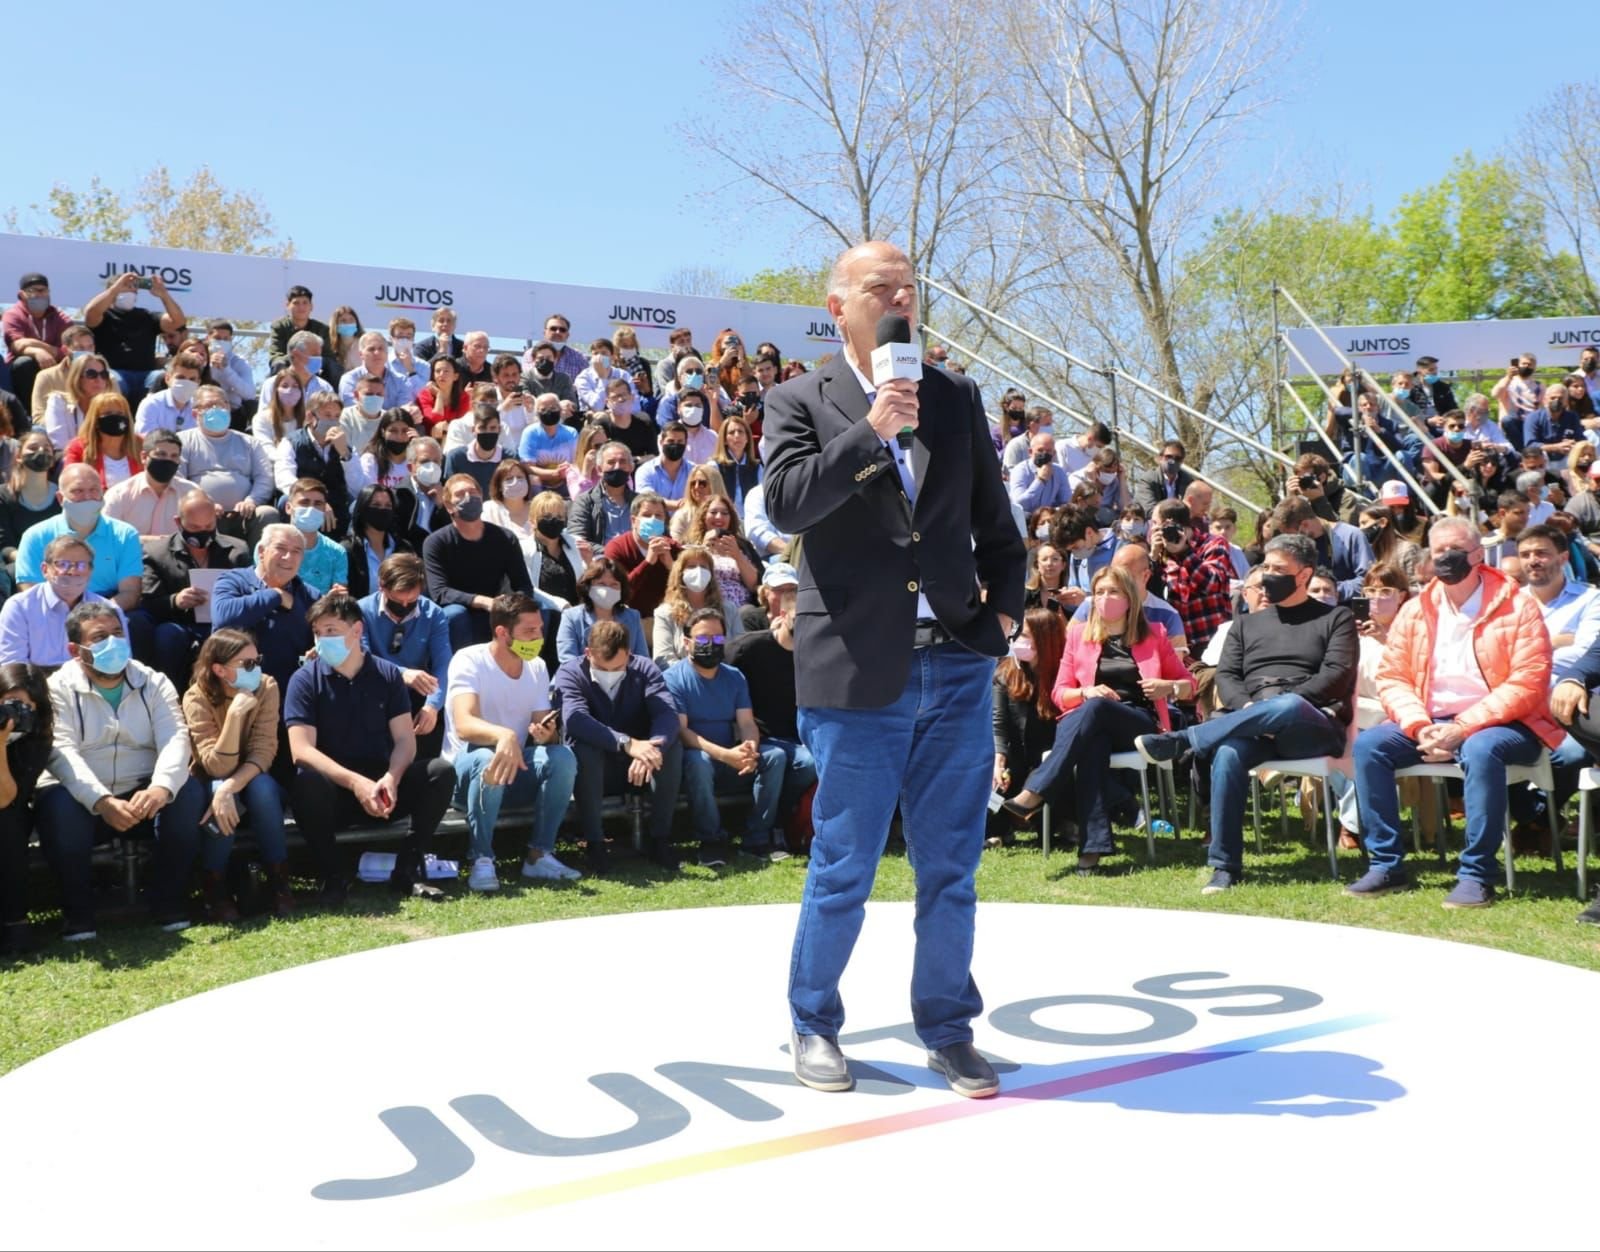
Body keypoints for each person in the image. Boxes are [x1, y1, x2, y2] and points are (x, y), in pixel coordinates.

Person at [763, 240, 1025, 1098]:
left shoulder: (954, 394)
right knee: (846, 860)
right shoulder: (798, 399)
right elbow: (790, 504)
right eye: (882, 286)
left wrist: (1004, 620)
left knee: (952, 864)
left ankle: (949, 1030)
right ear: (837, 305)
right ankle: (814, 1024)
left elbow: (997, 523)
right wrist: (873, 428)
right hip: (856, 670)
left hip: (954, 665)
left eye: (910, 287)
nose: (901, 297)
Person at [1348, 517, 1559, 908]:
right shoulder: (1416, 610)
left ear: (1479, 554)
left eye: (1456, 550)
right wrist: (1418, 726)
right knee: (1370, 746)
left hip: (1504, 724)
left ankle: (1477, 875)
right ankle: (1386, 865)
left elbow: (1528, 682)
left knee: (1480, 750)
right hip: (1430, 722)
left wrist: (1463, 728)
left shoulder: (1518, 606)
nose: (1447, 558)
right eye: (1440, 551)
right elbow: (1393, 676)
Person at [1134, 532, 1357, 894]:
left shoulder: (1336, 619)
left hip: (1313, 725)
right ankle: (1224, 866)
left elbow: (1335, 677)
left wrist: (1276, 709)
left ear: (1303, 575)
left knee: (1288, 706)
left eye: (1278, 569)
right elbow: (1227, 677)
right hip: (1254, 723)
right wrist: (1253, 709)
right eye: (1265, 567)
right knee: (1227, 753)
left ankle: (1186, 739)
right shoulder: (1244, 625)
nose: (1268, 575)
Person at [1005, 570, 1194, 870]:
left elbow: (1189, 685)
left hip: (1138, 720)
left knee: (1095, 710)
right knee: (1092, 741)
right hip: (1090, 721)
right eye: (1100, 592)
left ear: (1129, 598)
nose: (1105, 598)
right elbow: (1060, 694)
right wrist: (1086, 691)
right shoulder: (1078, 636)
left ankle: (1037, 789)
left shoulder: (1154, 633)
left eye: (1114, 592)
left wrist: (1166, 686)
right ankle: (1092, 849)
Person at [37, 601, 205, 939]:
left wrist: (161, 788)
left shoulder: (153, 681)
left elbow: (175, 738)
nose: (113, 643)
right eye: (99, 637)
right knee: (57, 804)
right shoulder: (56, 689)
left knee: (186, 791)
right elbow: (61, 753)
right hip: (85, 799)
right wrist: (100, 800)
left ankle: (169, 901)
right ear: (75, 649)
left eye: (117, 634)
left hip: (143, 793)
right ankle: (78, 914)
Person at [285, 592, 455, 906]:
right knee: (306, 781)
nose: (324, 640)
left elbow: (405, 739)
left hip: (382, 787)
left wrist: (391, 777)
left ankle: (408, 870)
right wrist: (356, 784)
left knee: (439, 772)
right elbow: (301, 750)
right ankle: (333, 876)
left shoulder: (387, 674)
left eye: (332, 631)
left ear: (357, 630)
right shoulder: (304, 680)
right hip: (335, 792)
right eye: (318, 633)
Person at [444, 593, 578, 891]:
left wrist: (547, 734)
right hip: (466, 770)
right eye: (529, 631)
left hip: (515, 766)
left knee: (562, 757)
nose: (538, 637)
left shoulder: (538, 667)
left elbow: (546, 728)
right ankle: (481, 859)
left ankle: (539, 855)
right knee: (489, 757)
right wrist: (503, 735)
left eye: (540, 629)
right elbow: (465, 725)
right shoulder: (468, 660)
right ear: (502, 632)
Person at [182, 629, 293, 921]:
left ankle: (279, 880)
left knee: (263, 788)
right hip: (211, 780)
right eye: (246, 664)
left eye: (257, 661)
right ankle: (214, 887)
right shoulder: (196, 697)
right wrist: (233, 717)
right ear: (219, 669)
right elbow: (214, 766)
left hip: (252, 776)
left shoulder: (267, 686)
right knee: (217, 787)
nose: (255, 669)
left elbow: (264, 751)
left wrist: (229, 787)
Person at [663, 607, 787, 865]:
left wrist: (749, 748)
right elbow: (683, 732)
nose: (712, 645)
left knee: (775, 756)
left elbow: (746, 721)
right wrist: (725, 755)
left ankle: (757, 838)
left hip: (732, 755)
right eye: (703, 639)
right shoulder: (673, 679)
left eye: (718, 639)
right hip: (698, 759)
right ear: (687, 643)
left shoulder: (734, 676)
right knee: (699, 762)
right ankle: (711, 841)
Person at [725, 580, 811, 858]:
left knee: (812, 763)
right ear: (783, 615)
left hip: (797, 738)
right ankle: (757, 839)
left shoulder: (815, 656)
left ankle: (780, 823)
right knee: (776, 759)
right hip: (756, 737)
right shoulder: (748, 648)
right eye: (800, 616)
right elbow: (721, 681)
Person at [132, 490, 249, 689]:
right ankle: (169, 697)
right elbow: (148, 603)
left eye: (209, 526)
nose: (203, 532)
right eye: (195, 527)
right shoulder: (156, 553)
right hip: (179, 625)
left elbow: (250, 593)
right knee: (167, 635)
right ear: (178, 522)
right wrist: (176, 601)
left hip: (223, 625)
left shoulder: (237, 551)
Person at [422, 473, 534, 648]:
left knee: (536, 610)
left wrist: (510, 602)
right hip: (461, 609)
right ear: (449, 505)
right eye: (460, 494)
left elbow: (524, 585)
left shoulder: (505, 538)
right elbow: (439, 592)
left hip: (498, 608)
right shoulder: (436, 542)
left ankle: (529, 667)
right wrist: (481, 601)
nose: (468, 497)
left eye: (473, 492)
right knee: (455, 614)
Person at [359, 554, 452, 763]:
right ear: (381, 586)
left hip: (417, 693)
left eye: (411, 601)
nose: (404, 605)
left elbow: (444, 663)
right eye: (397, 600)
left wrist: (433, 706)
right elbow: (361, 657)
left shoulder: (434, 614)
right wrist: (401, 673)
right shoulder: (361, 611)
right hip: (376, 688)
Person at [16, 464, 143, 611]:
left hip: (107, 610)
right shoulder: (35, 536)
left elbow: (130, 592)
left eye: (94, 490)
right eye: (78, 491)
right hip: (52, 610)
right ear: (60, 498)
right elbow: (30, 592)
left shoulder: (125, 535)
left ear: (103, 493)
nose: (87, 497)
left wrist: (93, 618)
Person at [212, 523, 318, 696]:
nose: (288, 557)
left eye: (296, 551)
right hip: (230, 693)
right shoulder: (233, 581)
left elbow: (318, 640)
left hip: (287, 695)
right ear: (261, 551)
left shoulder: (310, 596)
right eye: (281, 548)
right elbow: (223, 617)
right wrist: (275, 595)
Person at [0, 534, 127, 667]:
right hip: (36, 684)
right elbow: (13, 666)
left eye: (81, 565)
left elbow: (120, 663)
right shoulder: (19, 607)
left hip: (91, 682)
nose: (72, 571)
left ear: (90, 571)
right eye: (62, 564)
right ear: (45, 570)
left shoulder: (110, 610)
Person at [0, 663, 53, 955]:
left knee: (8, 821)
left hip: (8, 812)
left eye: (24, 708)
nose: (13, 716)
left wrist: (0, 743)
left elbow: (5, 799)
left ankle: (15, 921)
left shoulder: (36, 741)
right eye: (9, 705)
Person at [82, 272, 186, 408]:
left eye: (134, 288)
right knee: (113, 379)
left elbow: (178, 322)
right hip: (116, 372)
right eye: (126, 286)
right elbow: (90, 313)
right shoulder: (103, 315)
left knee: (162, 377)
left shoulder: (147, 315)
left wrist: (164, 295)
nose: (132, 291)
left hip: (147, 374)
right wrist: (115, 288)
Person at [1148, 499, 1232, 654]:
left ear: (1168, 523)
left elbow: (1212, 584)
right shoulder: (1161, 552)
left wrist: (1184, 552)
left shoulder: (1213, 544)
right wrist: (1153, 558)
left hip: (1212, 640)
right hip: (1179, 643)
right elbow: (1150, 595)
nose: (1152, 528)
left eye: (1154, 523)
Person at [1516, 524, 1600, 677]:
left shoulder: (1591, 600)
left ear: (1563, 558)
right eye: (1525, 555)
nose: (1532, 561)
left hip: (1571, 691)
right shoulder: (1510, 602)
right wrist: (1552, 642)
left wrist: (1521, 653)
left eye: (1541, 553)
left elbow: (1587, 656)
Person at [274, 392, 355, 533]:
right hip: (305, 502)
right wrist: (318, 503)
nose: (333, 421)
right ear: (310, 416)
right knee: (285, 500)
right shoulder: (291, 442)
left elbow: (358, 485)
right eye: (327, 415)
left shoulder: (345, 446)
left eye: (337, 416)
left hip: (337, 505)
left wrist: (345, 455)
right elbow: (284, 478)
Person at [653, 545, 743, 666]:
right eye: (691, 566)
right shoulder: (665, 613)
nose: (698, 571)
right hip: (683, 680)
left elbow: (740, 650)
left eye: (703, 567)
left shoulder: (729, 609)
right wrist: (696, 674)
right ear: (680, 574)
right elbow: (662, 658)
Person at [556, 557, 650, 663]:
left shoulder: (633, 617)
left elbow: (642, 660)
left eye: (614, 585)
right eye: (601, 584)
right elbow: (567, 659)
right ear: (588, 586)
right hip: (581, 678)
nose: (607, 589)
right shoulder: (571, 617)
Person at [604, 493, 679, 621]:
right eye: (647, 515)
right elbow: (617, 593)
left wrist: (672, 566)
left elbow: (689, 590)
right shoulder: (616, 548)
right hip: (628, 619)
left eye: (659, 516)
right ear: (634, 521)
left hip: (667, 618)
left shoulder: (673, 548)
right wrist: (647, 563)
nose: (653, 520)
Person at [0, 431, 61, 570]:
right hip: (20, 566)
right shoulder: (3, 496)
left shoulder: (62, 496)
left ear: (52, 460)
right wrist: (32, 559)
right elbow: (5, 546)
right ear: (19, 457)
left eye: (46, 449)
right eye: (33, 448)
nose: (40, 452)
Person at [277, 478, 350, 596]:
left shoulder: (337, 552)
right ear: (288, 508)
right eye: (304, 502)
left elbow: (339, 595)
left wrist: (333, 599)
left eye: (318, 504)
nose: (311, 509)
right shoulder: (269, 546)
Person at [342, 484, 413, 601]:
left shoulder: (404, 548)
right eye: (376, 505)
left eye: (388, 506)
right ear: (363, 509)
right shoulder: (348, 550)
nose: (382, 510)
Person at [567, 441, 637, 558]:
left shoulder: (641, 502)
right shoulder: (585, 501)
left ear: (630, 468)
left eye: (622, 462)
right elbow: (577, 539)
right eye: (611, 462)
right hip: (600, 564)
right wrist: (614, 553)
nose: (617, 467)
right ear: (599, 469)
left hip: (635, 561)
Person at [41, 352, 113, 454]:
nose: (99, 379)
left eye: (103, 375)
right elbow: (60, 445)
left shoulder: (112, 406)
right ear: (77, 378)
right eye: (91, 374)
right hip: (69, 460)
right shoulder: (59, 401)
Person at [518, 392, 578, 496]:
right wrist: (553, 473)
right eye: (543, 409)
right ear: (537, 412)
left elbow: (576, 462)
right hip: (539, 484)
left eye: (553, 408)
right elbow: (528, 467)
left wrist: (566, 471)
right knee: (533, 479)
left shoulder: (571, 433)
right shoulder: (530, 432)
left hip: (565, 480)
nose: (549, 412)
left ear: (560, 410)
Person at [266, 286, 331, 380]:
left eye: (305, 303)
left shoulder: (322, 329)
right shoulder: (279, 326)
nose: (301, 307)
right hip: (289, 368)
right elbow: (276, 355)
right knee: (278, 365)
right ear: (287, 305)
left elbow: (329, 357)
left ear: (311, 306)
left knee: (334, 368)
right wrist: (298, 358)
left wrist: (311, 360)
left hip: (315, 371)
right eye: (296, 303)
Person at [441, 403, 507, 494]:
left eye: (493, 428)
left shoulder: (508, 457)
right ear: (473, 430)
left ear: (499, 429)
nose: (488, 432)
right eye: (482, 428)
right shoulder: (456, 457)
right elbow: (449, 491)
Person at [1008, 430, 1073, 512]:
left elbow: (1066, 502)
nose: (1044, 454)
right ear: (1030, 452)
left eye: (1048, 451)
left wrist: (1050, 512)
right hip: (1024, 519)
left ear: (1054, 453)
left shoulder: (1059, 471)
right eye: (1040, 450)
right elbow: (1020, 504)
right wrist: (1040, 480)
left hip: (1049, 518)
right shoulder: (1020, 470)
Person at [1133, 440, 1196, 512]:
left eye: (1177, 458)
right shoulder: (1148, 479)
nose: (1172, 461)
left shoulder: (1188, 482)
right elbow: (1149, 510)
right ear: (1160, 458)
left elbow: (1193, 509)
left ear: (1182, 461)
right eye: (1168, 457)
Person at [416, 354, 471, 436]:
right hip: (429, 439)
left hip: (454, 437)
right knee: (438, 428)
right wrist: (439, 395)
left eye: (446, 371)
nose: (441, 374)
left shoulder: (463, 397)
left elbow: (462, 423)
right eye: (437, 371)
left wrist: (447, 427)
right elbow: (435, 418)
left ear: (455, 376)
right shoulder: (424, 394)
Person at [521, 339, 577, 408]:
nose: (545, 361)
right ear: (534, 360)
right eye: (541, 358)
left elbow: (572, 403)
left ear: (555, 359)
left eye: (548, 358)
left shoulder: (564, 379)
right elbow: (526, 399)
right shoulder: (525, 378)